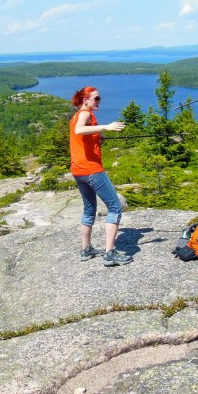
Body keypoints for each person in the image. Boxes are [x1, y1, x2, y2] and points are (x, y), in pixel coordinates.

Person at [70, 86, 133, 266]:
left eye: (99, 98)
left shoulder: (77, 116)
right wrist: (107, 127)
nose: (98, 101)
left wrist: (97, 137)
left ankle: (86, 249)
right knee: (115, 207)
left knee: (89, 208)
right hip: (91, 169)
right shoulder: (84, 114)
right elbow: (79, 131)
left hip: (78, 170)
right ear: (85, 100)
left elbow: (82, 136)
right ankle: (110, 253)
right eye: (95, 98)